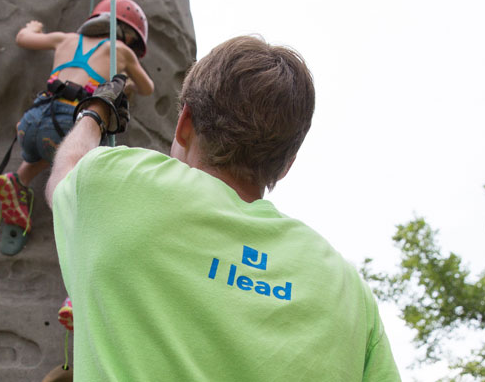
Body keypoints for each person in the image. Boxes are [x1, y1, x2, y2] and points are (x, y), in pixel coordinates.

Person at [45, 36, 401, 380]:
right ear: (286, 164)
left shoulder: (114, 183)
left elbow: (65, 172)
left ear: (184, 124)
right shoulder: (350, 292)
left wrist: (93, 113)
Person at [0, 0, 154, 244]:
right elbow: (148, 87)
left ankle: (19, 180)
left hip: (33, 118)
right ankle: (75, 218)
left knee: (44, 148)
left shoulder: (65, 39)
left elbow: (23, 39)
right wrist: (128, 81)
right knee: (67, 154)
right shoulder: (122, 51)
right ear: (128, 36)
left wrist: (33, 28)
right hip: (67, 122)